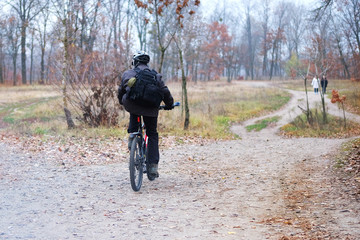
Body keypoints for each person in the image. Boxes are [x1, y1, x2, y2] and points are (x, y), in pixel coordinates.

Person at [118, 50, 174, 179]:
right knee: (152, 133)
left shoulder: (128, 74)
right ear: (147, 62)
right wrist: (169, 104)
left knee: (134, 112)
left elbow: (121, 90)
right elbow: (164, 91)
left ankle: (133, 135)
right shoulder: (156, 76)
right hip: (151, 109)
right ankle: (153, 166)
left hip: (132, 106)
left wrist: (122, 101)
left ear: (135, 62)